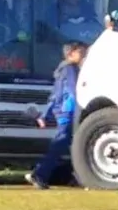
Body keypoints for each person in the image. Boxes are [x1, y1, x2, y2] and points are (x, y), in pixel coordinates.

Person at [26, 41, 86, 189]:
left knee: (70, 144)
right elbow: (74, 90)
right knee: (61, 142)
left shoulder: (62, 69)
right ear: (70, 54)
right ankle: (40, 174)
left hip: (62, 110)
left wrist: (48, 114)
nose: (84, 55)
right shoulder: (71, 69)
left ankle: (77, 177)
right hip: (68, 110)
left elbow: (56, 94)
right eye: (81, 52)